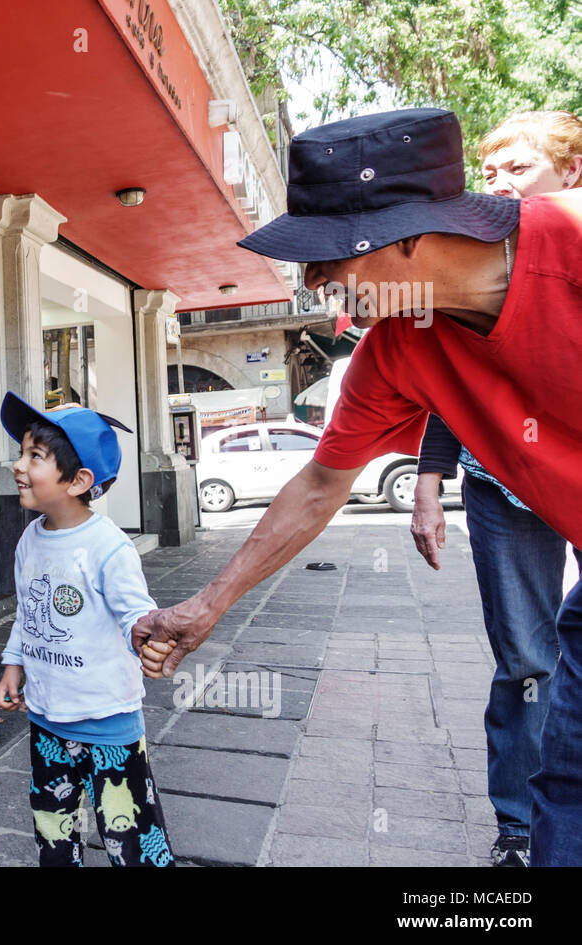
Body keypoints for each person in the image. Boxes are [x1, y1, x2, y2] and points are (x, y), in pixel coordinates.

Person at [134, 107, 582, 866]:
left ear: (406, 235)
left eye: (327, 260)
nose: (315, 286)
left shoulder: (568, 241)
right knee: (566, 780)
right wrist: (206, 604)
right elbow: (319, 485)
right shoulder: (397, 347)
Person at [409, 109, 582, 866]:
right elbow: (456, 376)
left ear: (570, 173)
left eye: (519, 168)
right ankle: (520, 829)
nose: (500, 184)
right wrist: (428, 477)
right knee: (529, 662)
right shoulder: (470, 258)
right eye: (492, 172)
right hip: (500, 483)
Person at [0, 393, 175, 867]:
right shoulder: (30, 540)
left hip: (108, 722)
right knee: (53, 827)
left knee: (129, 831)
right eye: (22, 452)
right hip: (48, 717)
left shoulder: (109, 548)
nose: (18, 465)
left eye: (35, 456)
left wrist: (151, 637)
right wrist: (14, 663)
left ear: (78, 481)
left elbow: (138, 614)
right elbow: (27, 613)